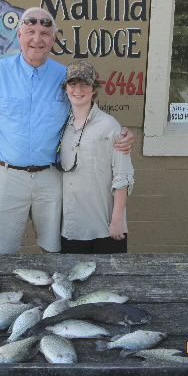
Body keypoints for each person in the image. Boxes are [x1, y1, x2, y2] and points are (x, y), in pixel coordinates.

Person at [0, 7, 134, 254]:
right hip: (6, 177)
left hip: (51, 177)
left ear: (53, 39)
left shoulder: (64, 77)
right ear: (19, 35)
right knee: (0, 251)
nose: (37, 39)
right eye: (30, 31)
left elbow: (87, 115)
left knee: (54, 250)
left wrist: (122, 133)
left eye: (44, 33)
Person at [58, 61, 134, 254]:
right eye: (73, 84)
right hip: (72, 227)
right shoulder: (61, 126)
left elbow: (122, 176)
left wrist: (117, 220)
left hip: (105, 227)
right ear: (66, 89)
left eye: (85, 84)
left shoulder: (110, 126)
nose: (78, 90)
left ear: (94, 89)